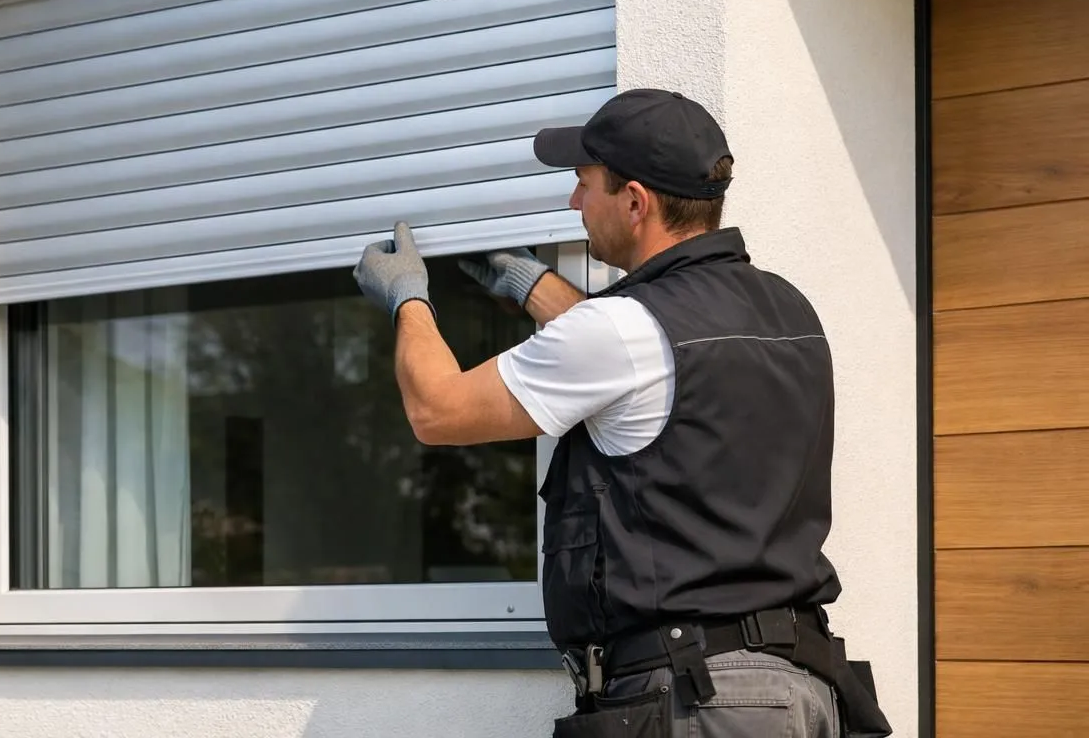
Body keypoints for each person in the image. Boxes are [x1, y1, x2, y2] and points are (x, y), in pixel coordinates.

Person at [352, 88, 890, 738]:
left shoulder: (624, 331)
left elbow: (437, 411)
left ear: (635, 202)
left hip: (703, 698)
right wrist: (530, 286)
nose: (572, 203)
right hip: (799, 688)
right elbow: (651, 365)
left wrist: (408, 299)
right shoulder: (788, 311)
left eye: (584, 184)